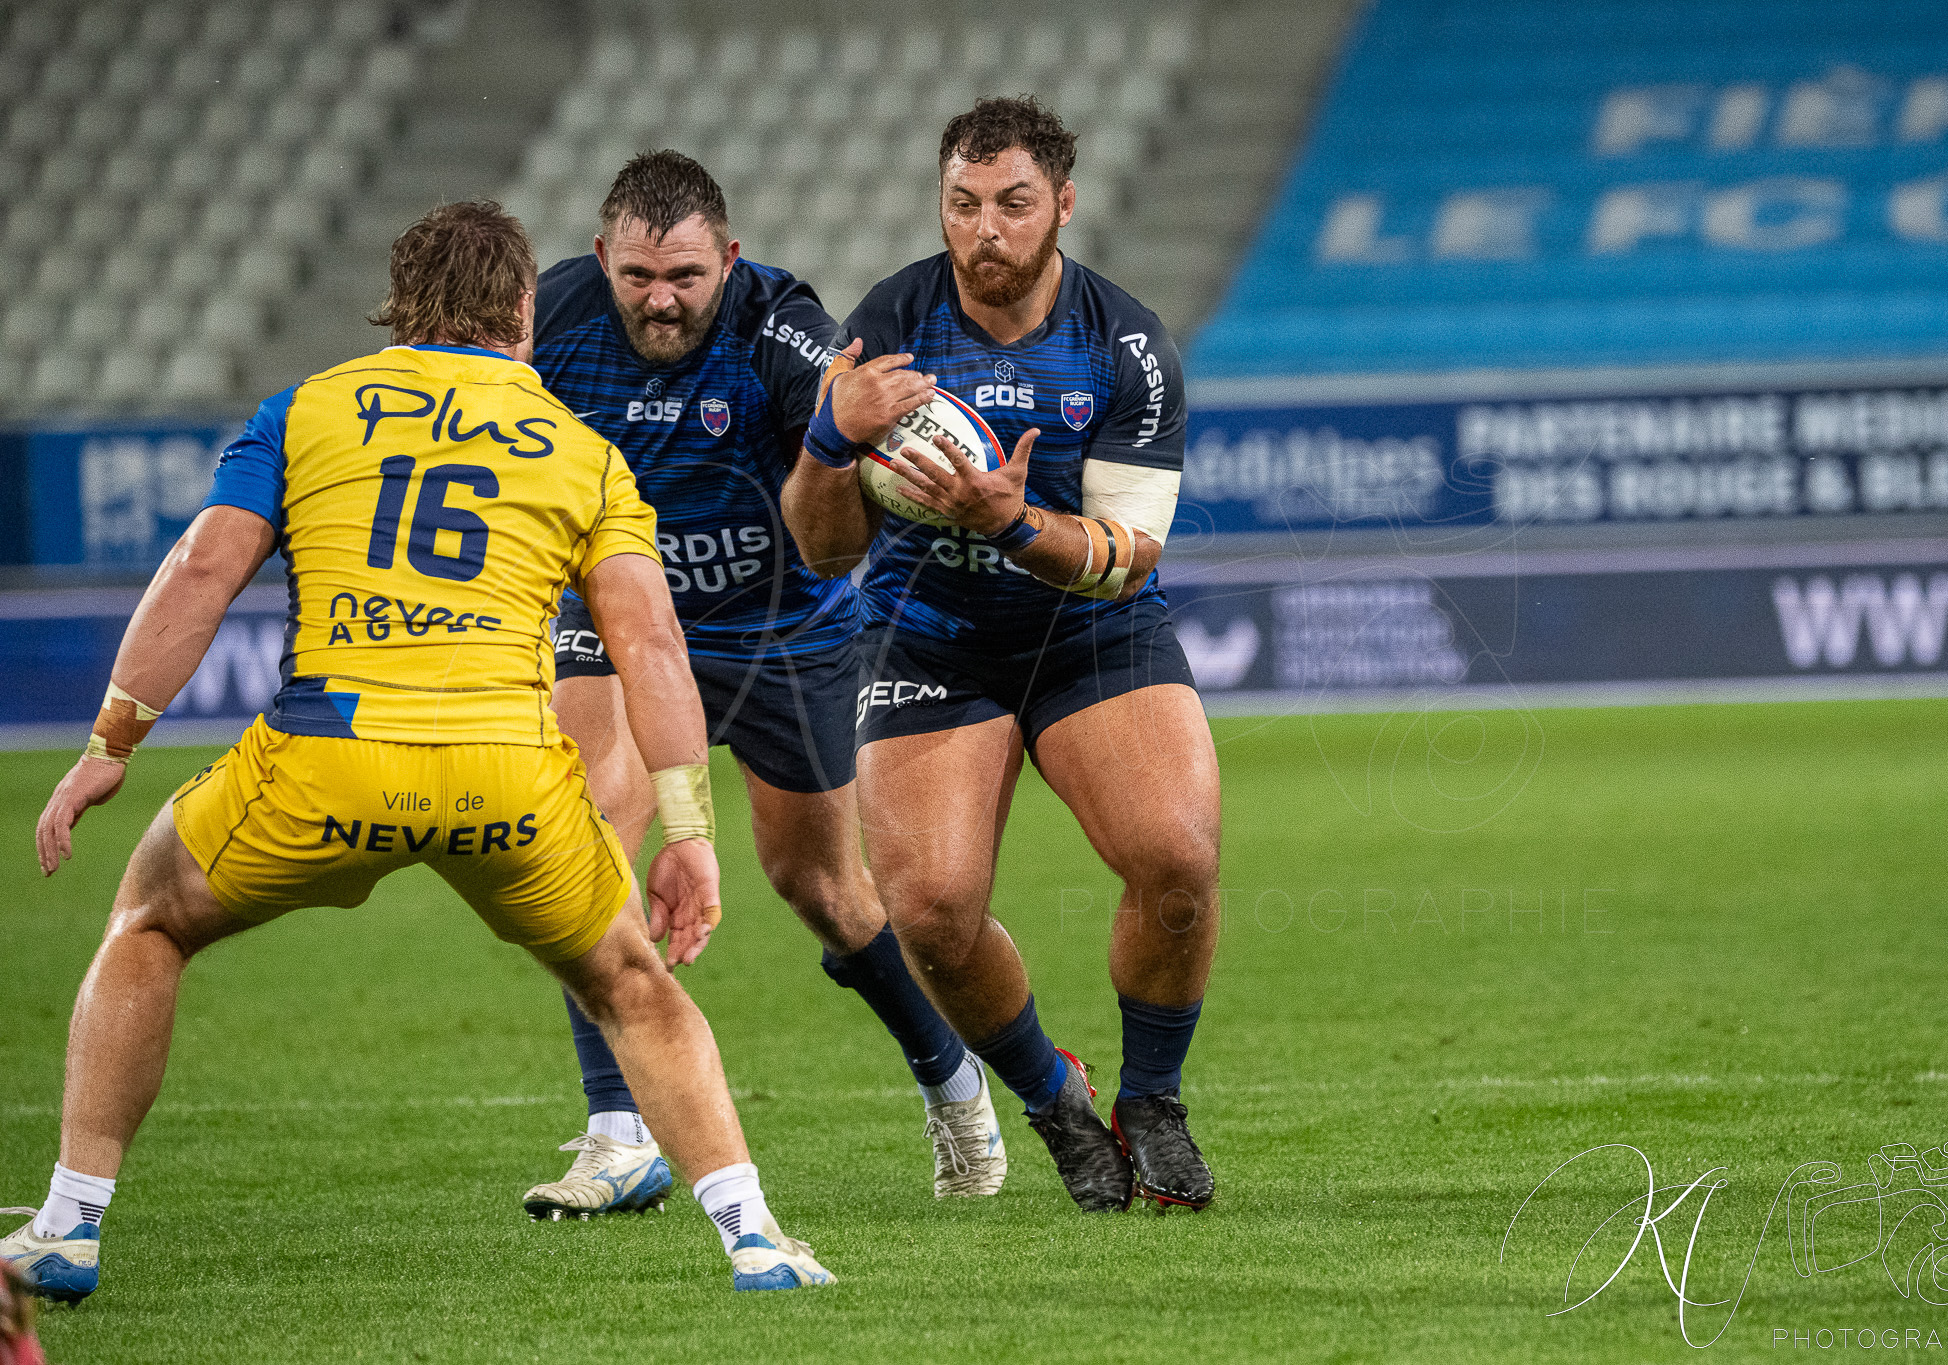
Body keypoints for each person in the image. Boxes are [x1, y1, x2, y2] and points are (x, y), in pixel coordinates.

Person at [1, 203, 833, 1298]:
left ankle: (67, 1225)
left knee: (150, 922)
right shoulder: (583, 453)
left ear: (398, 300)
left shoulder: (306, 410)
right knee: (634, 984)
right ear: (524, 313)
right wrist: (685, 833)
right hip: (508, 778)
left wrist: (113, 741)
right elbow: (650, 647)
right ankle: (755, 1238)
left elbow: (204, 571)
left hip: (327, 760)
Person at [517, 151, 1005, 1218]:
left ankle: (951, 1081)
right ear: (601, 259)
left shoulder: (780, 323)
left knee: (825, 893)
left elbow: (835, 432)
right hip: (615, 620)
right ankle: (616, 1132)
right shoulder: (545, 318)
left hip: (783, 632)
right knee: (589, 825)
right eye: (639, 275)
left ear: (727, 260)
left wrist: (863, 423)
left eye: (685, 276)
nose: (660, 299)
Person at [782, 98, 1219, 1212]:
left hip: (1089, 630)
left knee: (1174, 859)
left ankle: (1153, 1104)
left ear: (1062, 206)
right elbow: (824, 549)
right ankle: (1051, 1097)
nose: (985, 230)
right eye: (963, 205)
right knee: (926, 910)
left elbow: (1127, 558)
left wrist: (1014, 527)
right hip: (930, 634)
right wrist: (832, 435)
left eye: (1013, 204)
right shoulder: (889, 323)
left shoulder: (1127, 345)